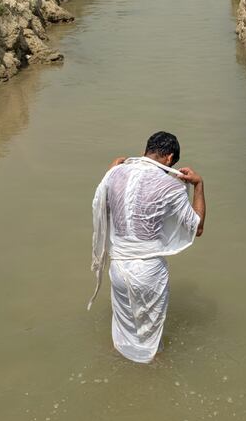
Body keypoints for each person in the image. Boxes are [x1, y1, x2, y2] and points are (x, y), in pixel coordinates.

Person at [88, 131, 206, 363]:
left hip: (119, 267)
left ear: (145, 151)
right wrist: (198, 185)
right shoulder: (171, 186)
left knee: (123, 329)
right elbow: (197, 228)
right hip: (149, 272)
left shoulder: (114, 175)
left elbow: (102, 204)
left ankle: (121, 368)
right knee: (151, 338)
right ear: (170, 158)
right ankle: (154, 377)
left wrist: (109, 170)